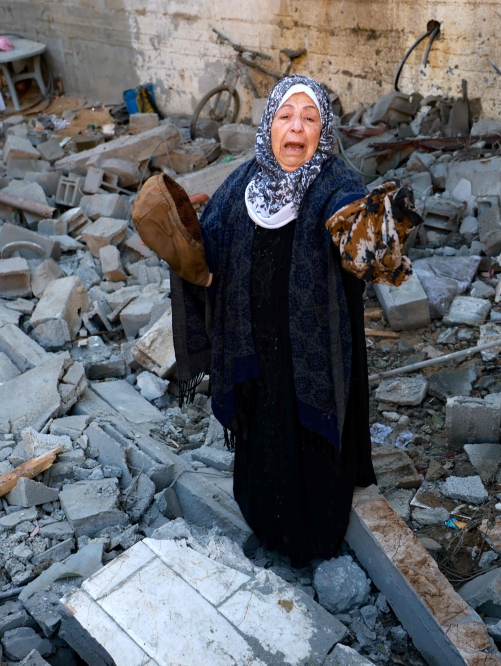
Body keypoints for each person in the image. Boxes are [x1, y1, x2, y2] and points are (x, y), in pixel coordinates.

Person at [171, 74, 376, 567]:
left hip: (313, 350)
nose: (296, 128)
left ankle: (313, 539)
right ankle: (264, 519)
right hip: (254, 346)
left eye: (309, 118)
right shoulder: (246, 182)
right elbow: (208, 245)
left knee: (310, 434)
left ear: (322, 130)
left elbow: (357, 228)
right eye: (286, 116)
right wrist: (179, 237)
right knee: (264, 431)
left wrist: (370, 231)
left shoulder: (337, 183)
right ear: (269, 125)